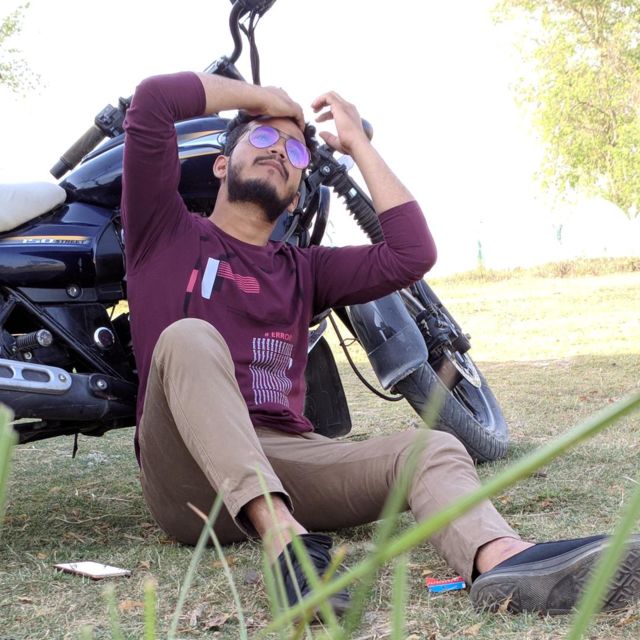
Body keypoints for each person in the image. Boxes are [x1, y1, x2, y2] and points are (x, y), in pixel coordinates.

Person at [121, 71, 640, 617]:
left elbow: (411, 254)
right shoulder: (165, 233)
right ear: (221, 165)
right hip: (188, 475)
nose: (279, 151)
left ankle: (502, 562)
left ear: (297, 197)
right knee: (188, 337)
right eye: (264, 136)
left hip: (287, 459)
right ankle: (288, 548)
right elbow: (153, 102)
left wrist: (358, 146)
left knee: (432, 447)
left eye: (295, 150)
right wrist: (265, 98)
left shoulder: (305, 269)